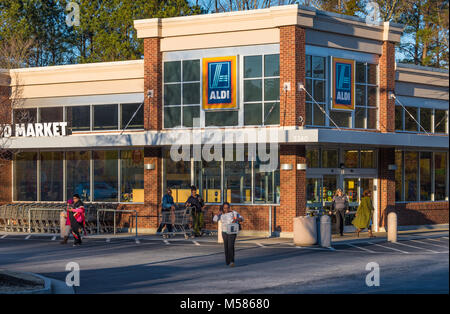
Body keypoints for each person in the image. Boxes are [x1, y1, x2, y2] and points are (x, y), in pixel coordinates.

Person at [213, 202, 244, 267]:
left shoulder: (234, 213)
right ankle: (227, 260)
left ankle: (232, 261)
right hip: (224, 232)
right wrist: (218, 214)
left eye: (227, 208)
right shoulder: (221, 214)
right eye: (224, 208)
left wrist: (237, 219)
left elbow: (242, 218)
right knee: (226, 246)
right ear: (222, 208)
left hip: (232, 231)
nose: (226, 209)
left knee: (231, 246)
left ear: (229, 207)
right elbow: (214, 219)